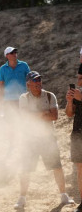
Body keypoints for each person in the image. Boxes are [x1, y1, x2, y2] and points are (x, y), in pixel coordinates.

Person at [14, 71, 74, 209]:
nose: (38, 83)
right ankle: (22, 198)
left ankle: (63, 195)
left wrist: (34, 115)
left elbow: (54, 116)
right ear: (28, 84)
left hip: (48, 138)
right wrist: (43, 113)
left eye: (39, 80)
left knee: (57, 166)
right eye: (35, 81)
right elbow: (25, 117)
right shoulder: (24, 97)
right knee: (26, 169)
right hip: (30, 139)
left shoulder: (49, 95)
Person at [65, 77, 82, 212]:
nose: (79, 81)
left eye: (81, 78)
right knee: (80, 171)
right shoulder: (77, 93)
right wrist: (70, 102)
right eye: (78, 78)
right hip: (77, 135)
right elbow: (69, 114)